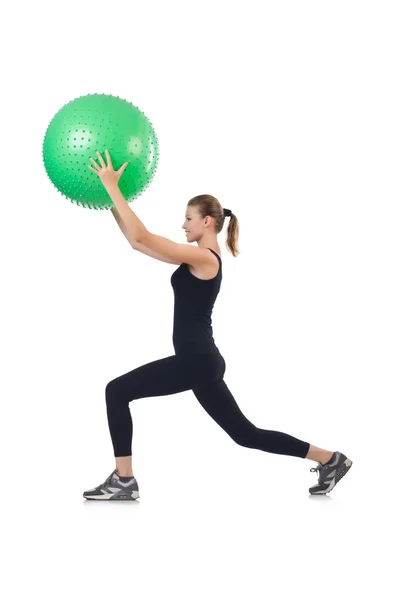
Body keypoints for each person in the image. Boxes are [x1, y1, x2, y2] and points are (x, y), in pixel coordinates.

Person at [83, 151, 353, 500]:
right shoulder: (193, 258)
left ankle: (124, 480)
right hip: (202, 362)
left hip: (196, 362)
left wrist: (112, 187)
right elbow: (138, 243)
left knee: (116, 391)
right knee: (246, 434)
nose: (183, 225)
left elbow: (145, 237)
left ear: (207, 222)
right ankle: (331, 459)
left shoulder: (204, 258)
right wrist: (110, 199)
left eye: (188, 218)